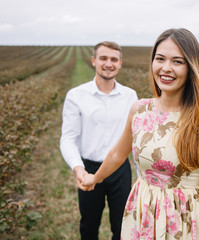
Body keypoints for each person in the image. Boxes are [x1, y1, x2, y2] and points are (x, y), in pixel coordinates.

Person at [82, 28, 199, 239]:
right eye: (160, 59)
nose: (166, 68)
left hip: (183, 221)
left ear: (191, 68)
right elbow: (117, 154)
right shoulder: (139, 110)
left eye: (178, 61)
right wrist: (95, 178)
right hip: (142, 213)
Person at [60, 41, 138, 240]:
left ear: (120, 63)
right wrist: (79, 169)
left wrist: (141, 175)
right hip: (89, 169)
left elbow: (136, 139)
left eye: (114, 59)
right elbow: (68, 138)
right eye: (103, 58)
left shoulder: (130, 96)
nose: (108, 63)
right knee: (89, 224)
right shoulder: (76, 96)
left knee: (122, 226)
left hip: (119, 169)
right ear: (94, 61)